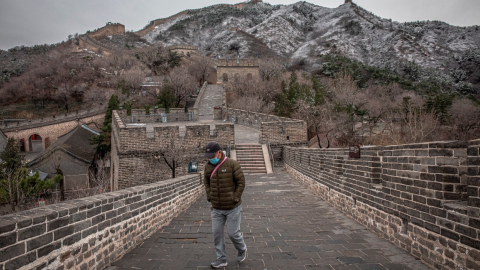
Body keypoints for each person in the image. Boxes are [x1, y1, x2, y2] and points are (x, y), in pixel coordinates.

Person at [203, 142, 247, 268]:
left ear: (219, 153)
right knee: (217, 234)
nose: (210, 158)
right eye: (209, 156)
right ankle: (221, 259)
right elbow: (206, 181)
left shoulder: (232, 164)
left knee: (233, 233)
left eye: (212, 156)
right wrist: (209, 195)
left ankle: (242, 249)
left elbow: (241, 182)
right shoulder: (208, 167)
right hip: (217, 208)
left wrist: (235, 197)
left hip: (232, 207)